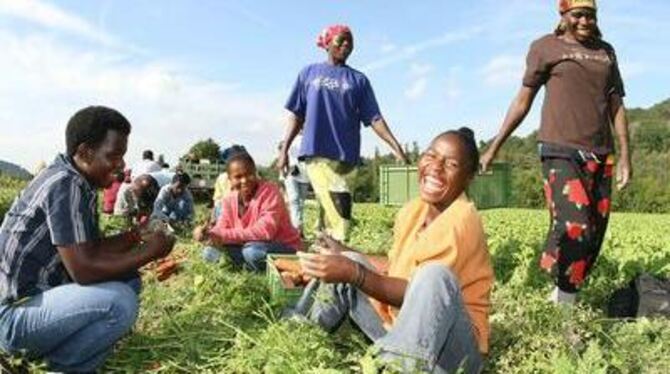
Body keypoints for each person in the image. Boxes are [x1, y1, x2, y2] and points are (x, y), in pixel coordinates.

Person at [291, 128, 493, 373]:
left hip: (451, 350)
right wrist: (346, 254)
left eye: (450, 164)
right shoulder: (416, 209)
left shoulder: (462, 220)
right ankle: (296, 337)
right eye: (431, 156)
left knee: (434, 276)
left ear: (469, 177)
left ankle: (397, 366)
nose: (436, 167)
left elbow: (418, 291)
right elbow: (396, 266)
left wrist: (354, 272)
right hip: (404, 330)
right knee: (348, 259)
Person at [0, 106, 175, 372]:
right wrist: (151, 251)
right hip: (13, 316)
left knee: (129, 280)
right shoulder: (64, 183)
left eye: (123, 156)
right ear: (84, 153)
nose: (121, 165)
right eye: (114, 155)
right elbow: (84, 269)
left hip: (34, 303)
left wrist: (135, 235)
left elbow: (89, 248)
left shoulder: (78, 182)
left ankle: (53, 355)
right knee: (120, 302)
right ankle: (56, 367)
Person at [480, 0, 631, 304]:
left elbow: (616, 106)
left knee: (593, 234)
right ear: (563, 16)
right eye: (578, 15)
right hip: (560, 150)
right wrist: (494, 146)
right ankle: (564, 310)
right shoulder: (546, 47)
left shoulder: (606, 52)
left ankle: (554, 281)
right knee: (577, 226)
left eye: (590, 15)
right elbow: (522, 101)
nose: (585, 21)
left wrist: (626, 154)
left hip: (601, 154)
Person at [278, 24, 408, 242]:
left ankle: (326, 263)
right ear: (327, 43)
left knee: (334, 214)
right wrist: (284, 149)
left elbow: (374, 118)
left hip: (347, 157)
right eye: (341, 40)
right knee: (340, 214)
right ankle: (337, 252)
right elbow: (297, 115)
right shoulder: (308, 74)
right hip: (316, 153)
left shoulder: (359, 80)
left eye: (350, 41)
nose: (346, 44)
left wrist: (395, 147)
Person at [194, 151, 302, 272]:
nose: (244, 180)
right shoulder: (229, 200)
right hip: (248, 244)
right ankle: (252, 266)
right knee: (209, 253)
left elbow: (265, 232)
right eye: (238, 177)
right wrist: (209, 235)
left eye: (249, 174)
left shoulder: (270, 192)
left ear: (255, 173)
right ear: (229, 179)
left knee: (252, 253)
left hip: (281, 246)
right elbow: (222, 227)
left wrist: (221, 235)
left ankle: (279, 265)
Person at [278, 135, 311, 235]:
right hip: (291, 171)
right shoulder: (291, 135)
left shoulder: (309, 137)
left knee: (301, 202)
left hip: (305, 173)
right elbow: (281, 147)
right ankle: (296, 229)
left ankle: (298, 227)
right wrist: (282, 168)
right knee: (294, 199)